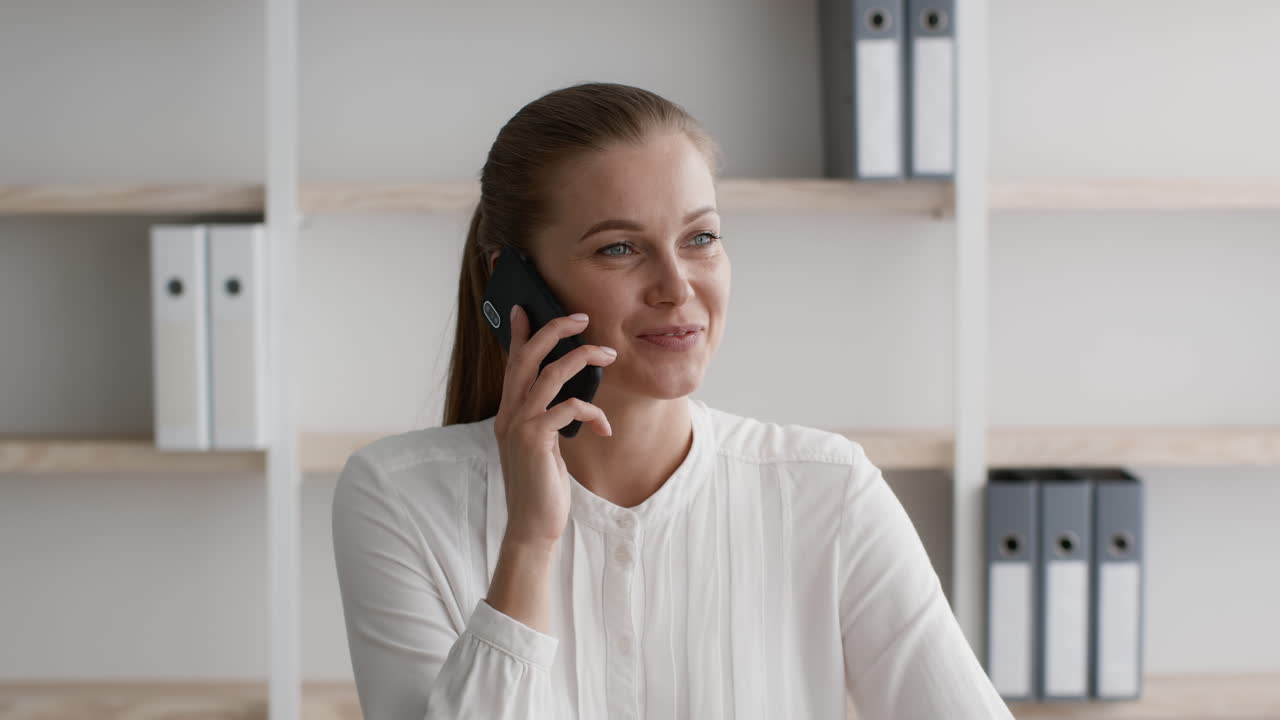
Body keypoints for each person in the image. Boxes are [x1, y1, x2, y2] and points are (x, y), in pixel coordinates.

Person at [331, 81, 1013, 720]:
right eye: (620, 248)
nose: (676, 286)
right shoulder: (398, 497)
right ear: (514, 284)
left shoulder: (826, 489)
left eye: (701, 239)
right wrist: (530, 542)